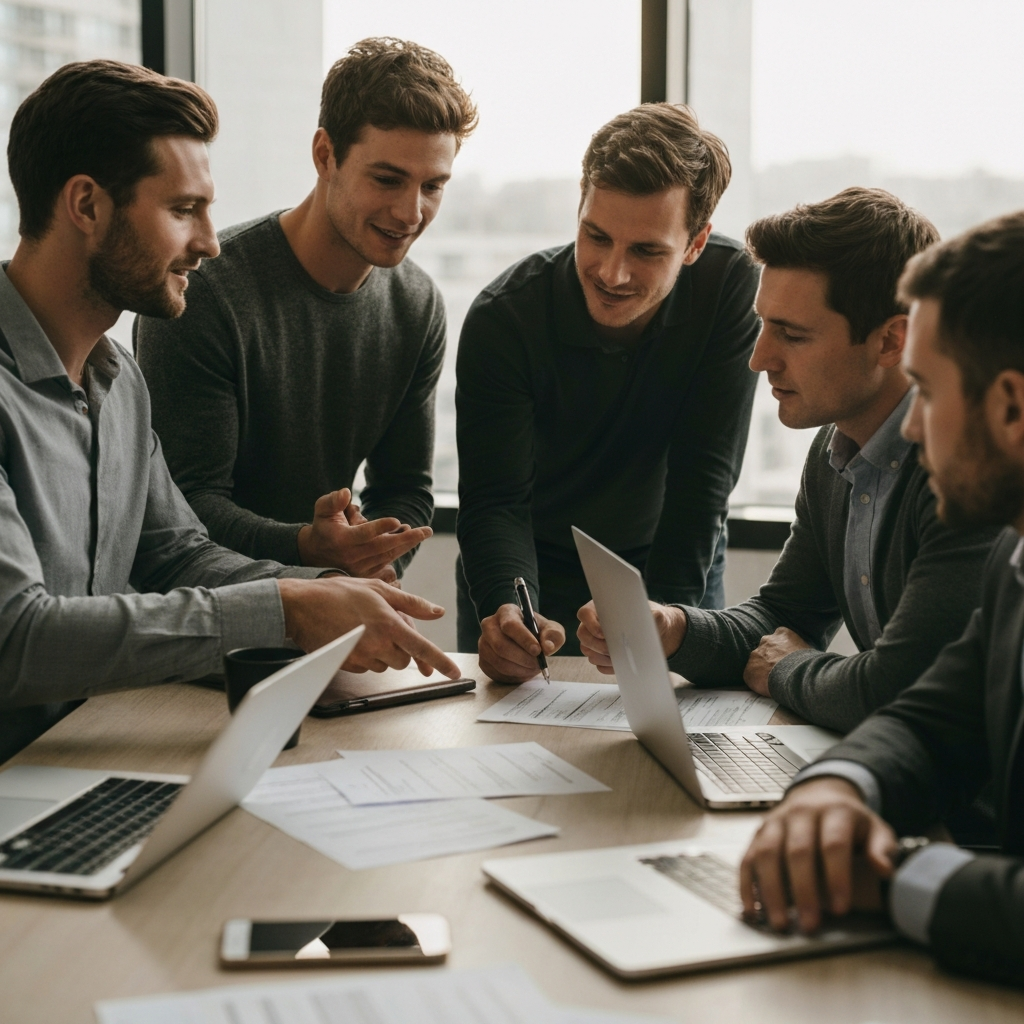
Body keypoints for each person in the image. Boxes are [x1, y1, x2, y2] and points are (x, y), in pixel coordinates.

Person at [0, 60, 461, 763]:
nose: (210, 243)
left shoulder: (117, 380)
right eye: (184, 210)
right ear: (87, 206)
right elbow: (15, 639)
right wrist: (287, 607)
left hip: (80, 753)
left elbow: (174, 553)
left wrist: (330, 596)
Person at [578, 188, 999, 733]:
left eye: (792, 335)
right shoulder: (833, 454)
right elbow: (784, 618)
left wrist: (789, 670)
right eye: (763, 324)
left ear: (892, 341)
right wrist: (674, 629)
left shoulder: (965, 476)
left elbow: (897, 691)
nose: (759, 358)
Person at [739, 211, 1024, 986]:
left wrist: (889, 878)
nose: (914, 432)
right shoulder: (1016, 559)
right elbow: (929, 720)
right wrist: (835, 787)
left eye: (927, 393)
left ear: (1010, 407)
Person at [136, 38, 477, 584]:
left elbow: (405, 488)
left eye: (432, 186)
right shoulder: (204, 289)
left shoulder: (418, 305)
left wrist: (375, 560)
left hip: (331, 613)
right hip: (204, 617)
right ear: (325, 155)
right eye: (387, 179)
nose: (411, 212)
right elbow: (180, 509)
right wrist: (307, 548)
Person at [456, 102, 760, 679]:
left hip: (672, 559)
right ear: (579, 210)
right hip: (528, 568)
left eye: (646, 251)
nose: (612, 273)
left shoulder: (730, 288)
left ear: (695, 245)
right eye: (596, 236)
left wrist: (665, 620)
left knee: (674, 748)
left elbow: (703, 482)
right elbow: (496, 500)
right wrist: (505, 607)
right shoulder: (505, 318)